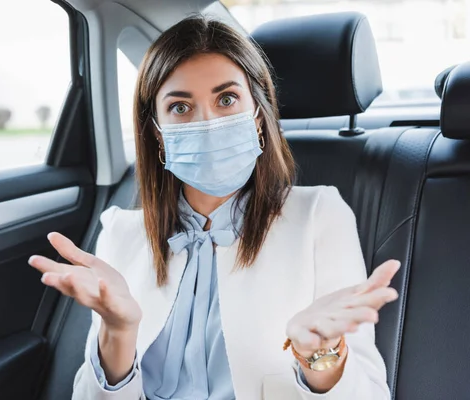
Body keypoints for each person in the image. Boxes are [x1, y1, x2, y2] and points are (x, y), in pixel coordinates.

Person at [29, 15, 399, 400]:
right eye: (180, 107)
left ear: (258, 113)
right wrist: (118, 333)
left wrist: (319, 356)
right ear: (157, 130)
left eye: (226, 99)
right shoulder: (121, 234)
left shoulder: (320, 216)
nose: (207, 122)